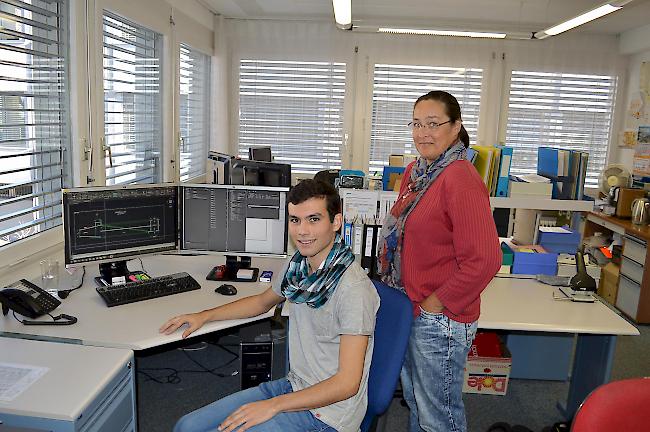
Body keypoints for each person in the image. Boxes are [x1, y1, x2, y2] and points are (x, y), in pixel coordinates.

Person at [160, 179, 380, 432]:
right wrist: (204, 316)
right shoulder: (298, 266)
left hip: (329, 414)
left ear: (336, 222)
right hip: (296, 386)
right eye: (295, 220)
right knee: (186, 427)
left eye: (314, 219)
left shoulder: (354, 290)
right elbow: (261, 302)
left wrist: (274, 405)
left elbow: (347, 384)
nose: (302, 231)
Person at [377, 90, 501, 432]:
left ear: (456, 127)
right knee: (418, 402)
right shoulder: (418, 173)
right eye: (416, 124)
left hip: (439, 319)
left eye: (433, 124)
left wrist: (435, 304)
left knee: (439, 416)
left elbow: (485, 260)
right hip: (411, 307)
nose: (422, 133)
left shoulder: (459, 178)